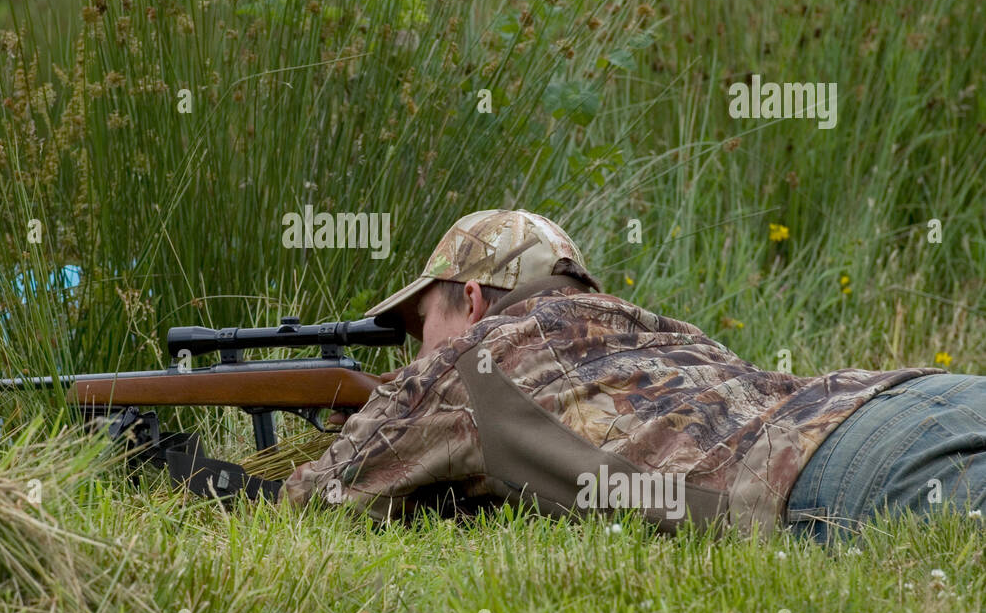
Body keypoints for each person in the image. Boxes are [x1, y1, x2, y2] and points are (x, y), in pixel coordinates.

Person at [281, 208, 986, 544]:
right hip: (914, 396)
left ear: (469, 300)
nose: (413, 355)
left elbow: (315, 501)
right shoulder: (650, 327)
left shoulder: (471, 360)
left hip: (846, 477)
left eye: (418, 327)